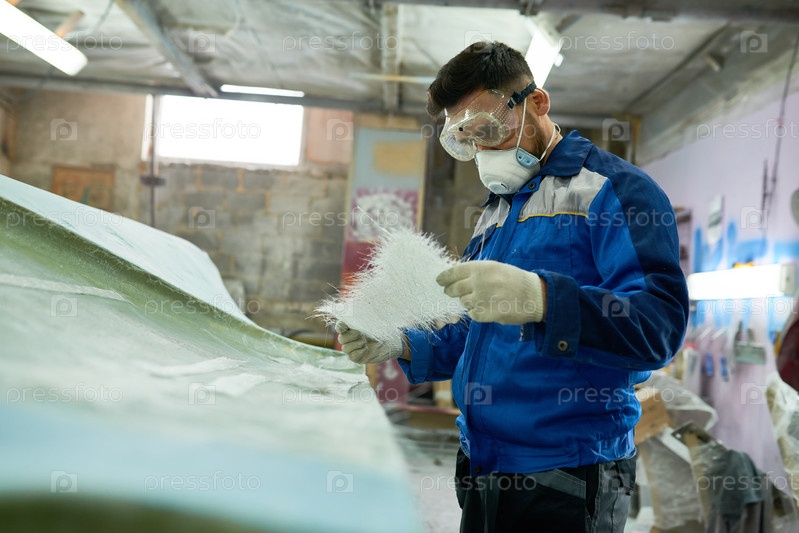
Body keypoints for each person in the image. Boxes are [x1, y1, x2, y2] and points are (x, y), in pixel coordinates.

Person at [335, 41, 689, 533]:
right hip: (483, 461)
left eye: (489, 131)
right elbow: (477, 328)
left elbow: (659, 325)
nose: (481, 151)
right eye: (466, 139)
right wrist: (403, 344)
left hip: (569, 471)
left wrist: (542, 300)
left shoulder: (614, 190)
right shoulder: (497, 212)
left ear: (536, 103)